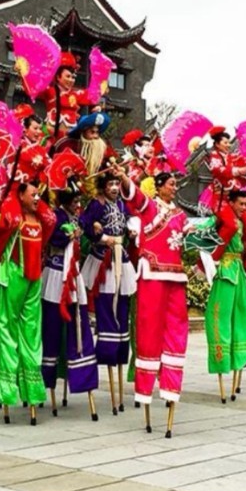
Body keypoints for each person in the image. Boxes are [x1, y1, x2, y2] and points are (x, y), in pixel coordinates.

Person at [117, 168, 196, 438]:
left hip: (176, 278)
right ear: (159, 186)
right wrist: (123, 177)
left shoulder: (180, 215)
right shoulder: (149, 209)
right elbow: (134, 195)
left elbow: (193, 239)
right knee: (149, 333)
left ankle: (171, 387)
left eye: (176, 184)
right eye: (171, 184)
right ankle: (145, 390)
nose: (175, 188)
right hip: (151, 275)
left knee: (177, 333)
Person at [0, 182, 55, 425]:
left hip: (33, 280)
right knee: (7, 333)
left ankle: (32, 392)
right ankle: (6, 390)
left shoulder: (42, 219)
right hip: (12, 276)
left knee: (32, 336)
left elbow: (51, 219)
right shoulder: (11, 217)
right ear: (20, 195)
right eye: (32, 194)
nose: (37, 198)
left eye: (39, 194)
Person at [80, 172, 137, 416]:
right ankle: (108, 355)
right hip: (103, 260)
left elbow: (130, 220)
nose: (115, 187)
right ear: (103, 186)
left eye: (117, 183)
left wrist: (132, 231)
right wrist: (101, 235)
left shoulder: (122, 204)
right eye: (111, 184)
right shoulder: (96, 204)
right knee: (106, 307)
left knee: (122, 310)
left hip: (121, 259)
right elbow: (84, 225)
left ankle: (120, 365)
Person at [41, 188, 99, 420]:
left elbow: (85, 231)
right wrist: (70, 235)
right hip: (56, 275)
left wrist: (86, 229)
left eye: (79, 201)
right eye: (75, 201)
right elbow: (53, 237)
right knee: (51, 327)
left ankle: (81, 376)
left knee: (78, 326)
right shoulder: (54, 216)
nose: (78, 205)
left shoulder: (76, 217)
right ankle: (47, 379)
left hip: (74, 275)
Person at [205, 190, 246, 402]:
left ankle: (241, 355)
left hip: (239, 272)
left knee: (243, 317)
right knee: (219, 319)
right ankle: (221, 361)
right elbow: (206, 241)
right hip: (225, 272)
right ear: (230, 202)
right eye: (241, 203)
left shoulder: (242, 222)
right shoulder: (220, 220)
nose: (244, 206)